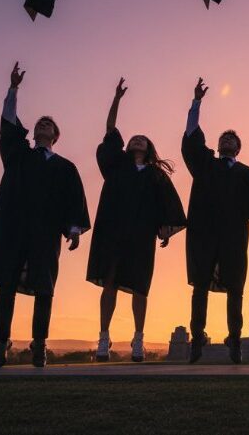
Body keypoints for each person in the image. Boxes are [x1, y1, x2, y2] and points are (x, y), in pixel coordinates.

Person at [0, 62, 90, 368]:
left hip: (45, 232)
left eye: (48, 124)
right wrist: (13, 89)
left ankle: (39, 345)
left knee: (45, 287)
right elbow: (6, 123)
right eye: (40, 122)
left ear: (56, 135)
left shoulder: (65, 167)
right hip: (13, 226)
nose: (43, 124)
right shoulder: (18, 155)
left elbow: (74, 200)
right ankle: (1, 345)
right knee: (6, 285)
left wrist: (72, 229)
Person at [182, 78, 249, 364]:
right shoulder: (205, 165)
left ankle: (234, 339)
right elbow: (191, 137)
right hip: (202, 234)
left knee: (235, 288)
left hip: (234, 236)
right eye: (223, 139)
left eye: (232, 140)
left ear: (238, 148)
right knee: (200, 286)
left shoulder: (248, 174)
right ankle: (197, 338)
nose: (227, 142)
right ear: (218, 146)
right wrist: (196, 103)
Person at [87, 78, 187, 362]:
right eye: (134, 138)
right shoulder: (116, 165)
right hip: (112, 230)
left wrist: (165, 229)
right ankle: (104, 338)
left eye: (142, 139)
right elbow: (109, 130)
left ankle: (138, 340)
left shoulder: (156, 174)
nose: (137, 139)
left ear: (149, 146)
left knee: (140, 286)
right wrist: (117, 98)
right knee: (109, 283)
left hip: (141, 234)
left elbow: (167, 204)